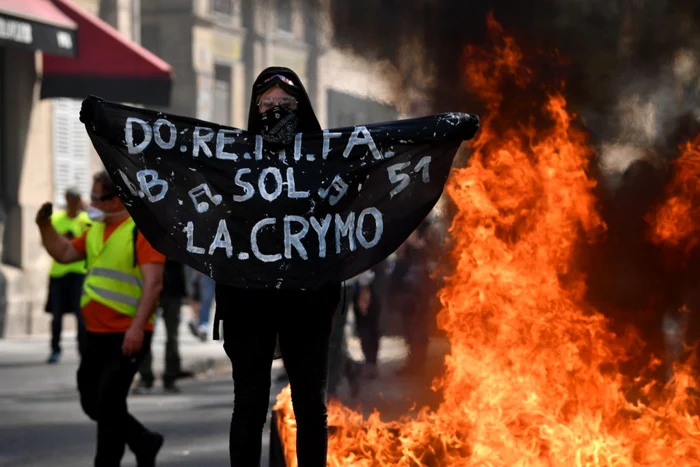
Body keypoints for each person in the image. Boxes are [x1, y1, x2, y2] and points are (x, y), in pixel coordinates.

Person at [214, 67, 341, 467]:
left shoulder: (325, 159)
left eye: (284, 104)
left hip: (308, 299)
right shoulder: (232, 159)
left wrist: (442, 132)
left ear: (300, 108)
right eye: (266, 104)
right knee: (249, 402)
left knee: (309, 406)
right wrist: (108, 125)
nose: (275, 111)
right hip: (247, 299)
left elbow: (377, 160)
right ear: (254, 108)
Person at [35, 171, 165, 466]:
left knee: (108, 402)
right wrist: (44, 226)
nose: (87, 203)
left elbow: (154, 284)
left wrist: (136, 329)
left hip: (127, 335)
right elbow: (65, 253)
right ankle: (144, 441)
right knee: (91, 399)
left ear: (115, 200)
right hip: (95, 334)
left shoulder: (139, 231)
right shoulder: (95, 229)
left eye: (95, 197)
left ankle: (107, 462)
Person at [44, 187, 90, 363]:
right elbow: (47, 242)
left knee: (81, 316)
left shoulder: (86, 220)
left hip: (79, 273)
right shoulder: (56, 219)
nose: (73, 204)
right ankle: (55, 348)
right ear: (66, 200)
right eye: (71, 200)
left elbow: (89, 243)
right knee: (56, 316)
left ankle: (83, 350)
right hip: (59, 273)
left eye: (76, 200)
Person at [135, 258, 191, 393]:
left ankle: (170, 376)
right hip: (150, 288)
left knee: (172, 336)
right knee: (146, 333)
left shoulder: (175, 238)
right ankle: (146, 376)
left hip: (171, 289)